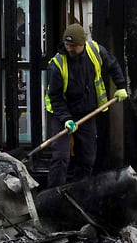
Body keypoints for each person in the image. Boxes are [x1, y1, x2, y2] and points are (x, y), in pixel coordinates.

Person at [44, 23, 128, 188]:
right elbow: (54, 97)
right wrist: (66, 119)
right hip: (61, 114)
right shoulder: (57, 65)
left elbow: (112, 64)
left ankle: (78, 191)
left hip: (86, 112)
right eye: (67, 45)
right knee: (61, 157)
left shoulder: (95, 50)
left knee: (87, 156)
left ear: (83, 44)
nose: (69, 49)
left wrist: (121, 86)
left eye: (73, 46)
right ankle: (53, 196)